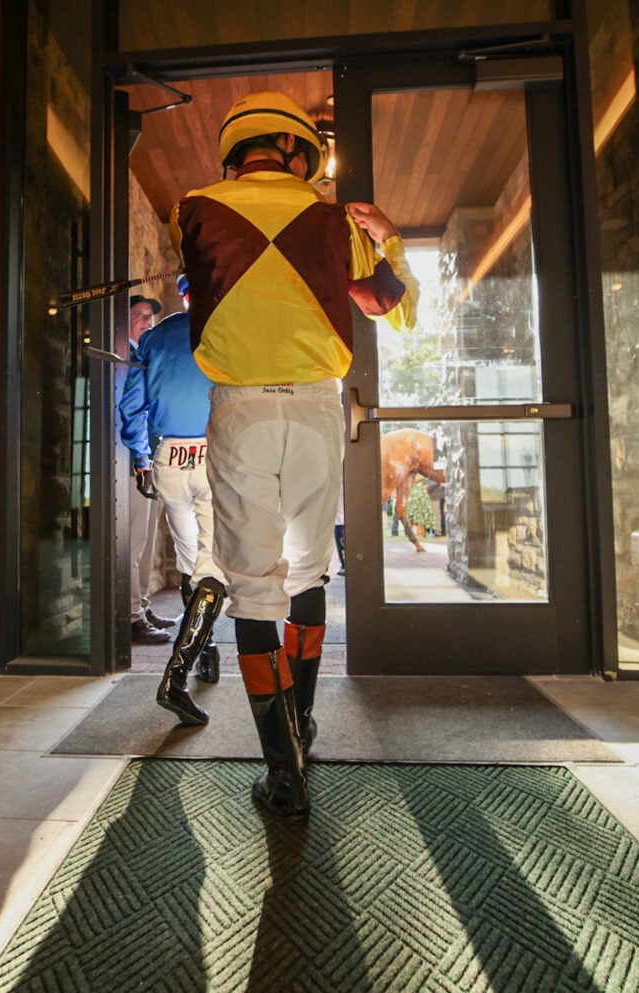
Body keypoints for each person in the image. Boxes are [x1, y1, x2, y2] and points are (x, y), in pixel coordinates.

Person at [168, 90, 418, 823]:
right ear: (296, 148)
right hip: (314, 406)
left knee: (252, 586)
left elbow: (206, 282)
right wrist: (390, 240)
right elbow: (392, 308)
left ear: (237, 150)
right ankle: (302, 724)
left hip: (240, 408)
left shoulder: (194, 208)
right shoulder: (336, 220)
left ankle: (282, 775)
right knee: (310, 569)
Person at [119, 277, 225, 720]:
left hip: (169, 458)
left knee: (189, 561)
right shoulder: (226, 328)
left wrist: (142, 457)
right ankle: (183, 671)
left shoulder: (156, 337)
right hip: (216, 454)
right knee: (212, 566)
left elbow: (132, 406)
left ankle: (205, 649)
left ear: (183, 296)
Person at [121, 293, 174, 645]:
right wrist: (141, 461)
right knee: (134, 542)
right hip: (131, 464)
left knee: (146, 540)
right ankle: (130, 617)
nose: (147, 321)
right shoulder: (125, 358)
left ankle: (140, 606)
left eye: (150, 317)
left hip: (149, 463)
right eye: (138, 315)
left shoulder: (145, 357)